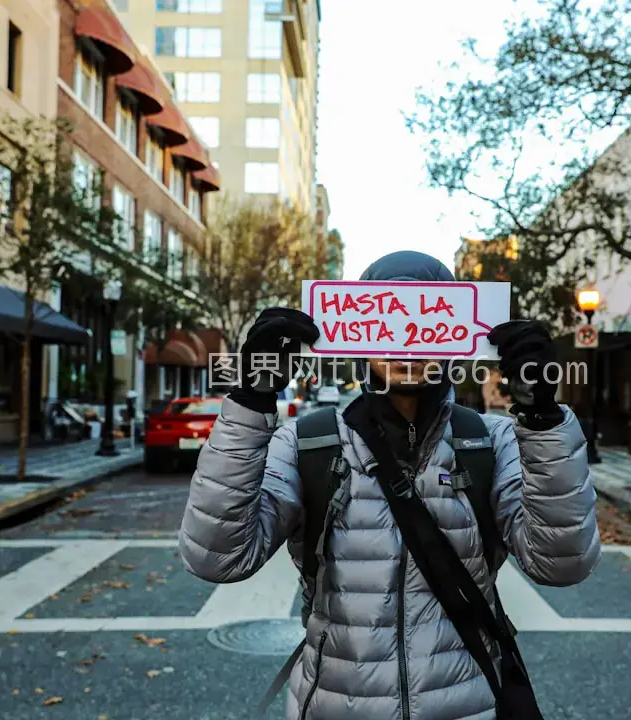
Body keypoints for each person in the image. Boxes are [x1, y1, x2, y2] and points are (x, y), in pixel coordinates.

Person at [180, 251, 600, 719]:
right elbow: (216, 556)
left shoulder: (491, 440)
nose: (407, 341)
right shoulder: (308, 442)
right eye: (388, 321)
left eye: (428, 319)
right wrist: (250, 400)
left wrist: (542, 420)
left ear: (456, 340)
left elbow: (562, 565)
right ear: (359, 337)